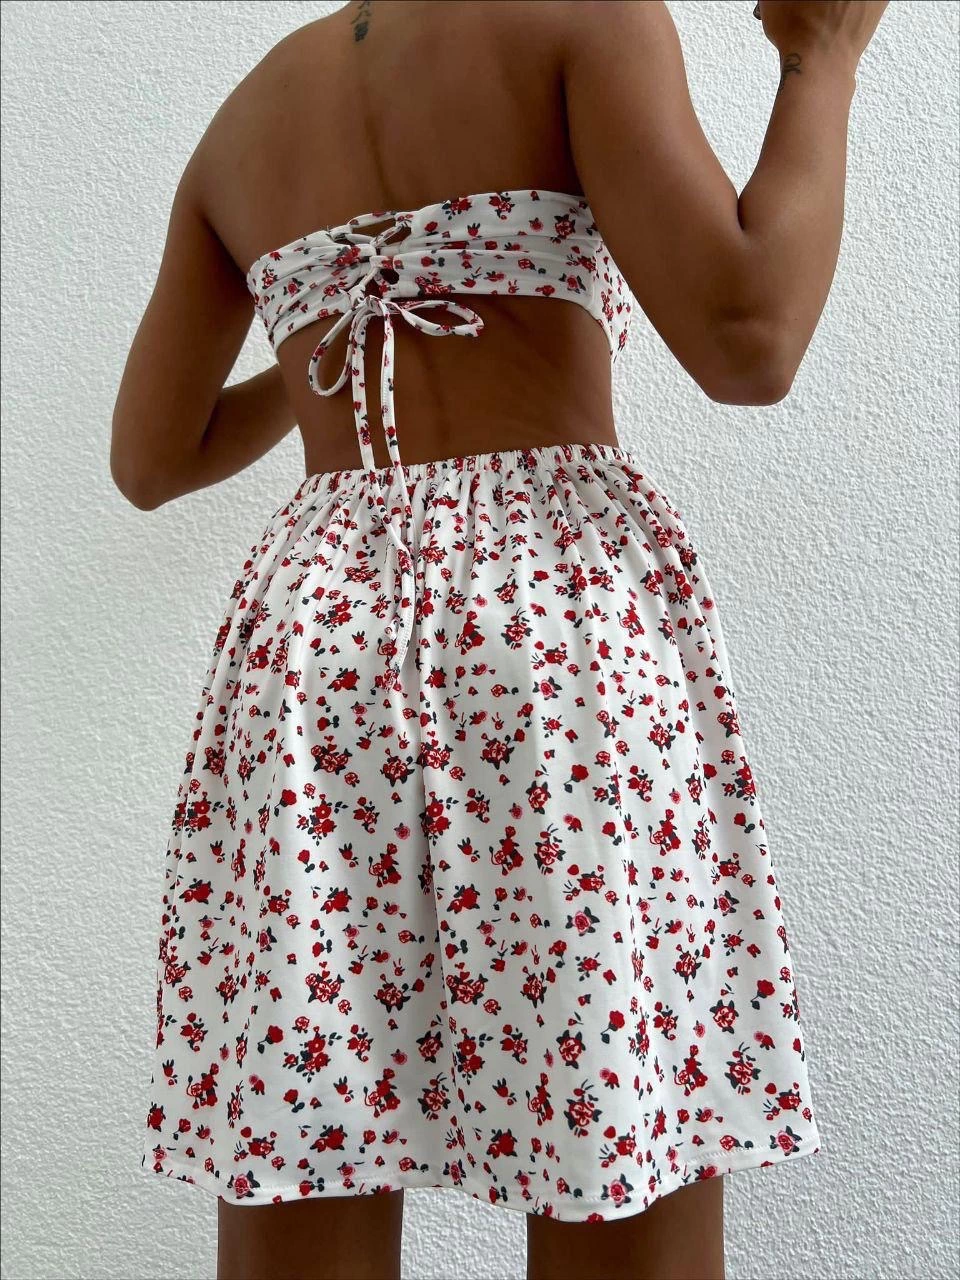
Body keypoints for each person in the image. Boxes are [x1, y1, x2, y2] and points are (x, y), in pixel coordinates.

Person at [113, 2, 888, 1278]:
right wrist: (824, 58)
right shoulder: (583, 16)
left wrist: (323, 332)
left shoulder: (249, 115)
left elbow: (153, 456)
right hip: (547, 621)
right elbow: (750, 338)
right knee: (610, 1119)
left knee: (312, 1121)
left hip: (315, 637)